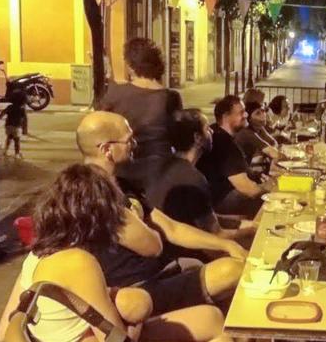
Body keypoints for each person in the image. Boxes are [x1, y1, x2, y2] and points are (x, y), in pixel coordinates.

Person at [0, 164, 242, 342]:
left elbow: (4, 331)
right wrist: (137, 316)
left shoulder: (36, 256)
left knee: (211, 318)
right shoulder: (79, 262)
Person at [75, 111, 245, 315]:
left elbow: (171, 228)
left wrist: (226, 244)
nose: (135, 145)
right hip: (135, 292)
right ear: (106, 149)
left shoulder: (121, 184)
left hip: (156, 273)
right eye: (128, 141)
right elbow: (153, 246)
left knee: (218, 271)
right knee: (234, 271)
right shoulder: (94, 196)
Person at [145, 109, 254, 246]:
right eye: (207, 128)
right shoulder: (193, 178)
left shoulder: (164, 168)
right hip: (185, 251)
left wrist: (240, 222)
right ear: (197, 138)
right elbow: (216, 234)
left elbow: (203, 217)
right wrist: (252, 231)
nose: (212, 132)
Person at [100, 37, 182, 184]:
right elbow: (177, 136)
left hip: (123, 170)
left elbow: (100, 130)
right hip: (160, 172)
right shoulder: (171, 98)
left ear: (131, 66)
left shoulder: (115, 93)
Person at [197, 95, 271, 216]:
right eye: (241, 112)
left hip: (210, 198)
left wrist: (257, 176)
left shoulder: (215, 132)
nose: (246, 115)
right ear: (226, 117)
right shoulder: (224, 142)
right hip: (219, 202)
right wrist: (270, 187)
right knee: (272, 203)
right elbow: (249, 190)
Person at [235, 100, 280, 167]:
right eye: (258, 113)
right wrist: (292, 158)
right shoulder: (246, 132)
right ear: (249, 118)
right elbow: (274, 153)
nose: (263, 115)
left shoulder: (259, 127)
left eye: (263, 111)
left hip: (253, 166)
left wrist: (266, 152)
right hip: (242, 171)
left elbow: (274, 142)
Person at [0, 89, 28, 158]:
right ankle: (17, 153)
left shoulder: (10, 107)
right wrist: (25, 129)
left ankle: (5, 150)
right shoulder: (22, 109)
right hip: (17, 126)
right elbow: (25, 119)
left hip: (8, 125)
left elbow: (3, 112)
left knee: (9, 137)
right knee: (17, 141)